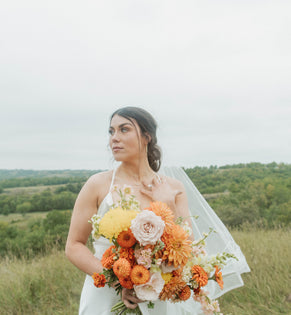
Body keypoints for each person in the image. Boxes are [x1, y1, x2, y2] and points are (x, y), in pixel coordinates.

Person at [65, 106, 250, 315]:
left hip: (158, 296)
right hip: (105, 296)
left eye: (124, 129)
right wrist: (118, 282)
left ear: (147, 137)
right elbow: (74, 245)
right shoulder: (97, 184)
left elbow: (185, 250)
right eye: (111, 131)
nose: (114, 138)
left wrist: (167, 205)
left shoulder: (174, 188)